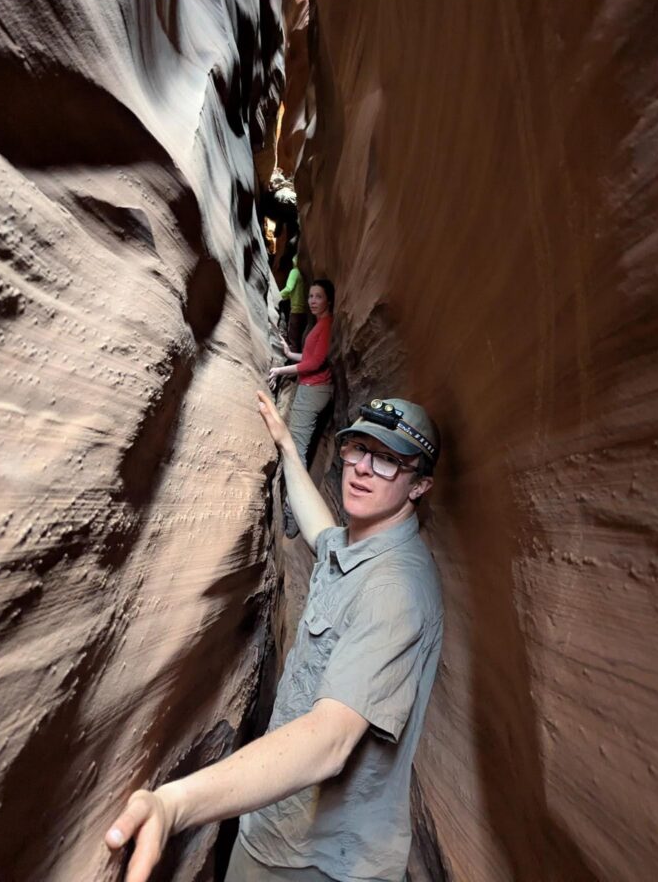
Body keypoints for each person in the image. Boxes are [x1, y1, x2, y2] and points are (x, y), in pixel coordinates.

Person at [105, 393, 444, 882]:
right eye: (357, 448)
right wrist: (287, 445)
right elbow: (320, 531)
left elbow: (330, 741)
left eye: (388, 460)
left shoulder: (394, 591)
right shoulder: (357, 548)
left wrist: (175, 805)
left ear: (420, 485)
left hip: (317, 862)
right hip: (276, 830)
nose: (362, 469)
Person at [269, 279, 334, 536]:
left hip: (313, 391)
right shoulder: (321, 324)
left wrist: (281, 369)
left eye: (318, 296)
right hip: (313, 388)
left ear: (329, 300)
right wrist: (289, 352)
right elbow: (309, 358)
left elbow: (314, 364)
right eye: (310, 296)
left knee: (296, 451)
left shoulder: (326, 326)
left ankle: (294, 515)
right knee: (298, 446)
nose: (312, 301)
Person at [277, 254, 307, 352]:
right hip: (305, 312)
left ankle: (293, 364)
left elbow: (289, 289)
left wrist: (276, 297)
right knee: (300, 340)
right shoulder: (303, 274)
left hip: (296, 310)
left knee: (293, 341)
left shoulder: (294, 272)